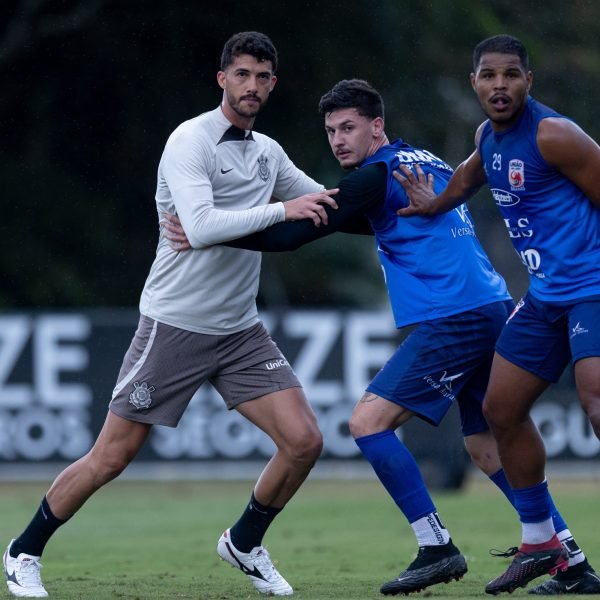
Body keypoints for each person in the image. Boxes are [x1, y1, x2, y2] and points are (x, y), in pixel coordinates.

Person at [164, 78, 593, 597]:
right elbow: (359, 220)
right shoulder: (422, 160)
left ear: (376, 126)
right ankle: (568, 558)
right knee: (485, 445)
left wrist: (210, 231)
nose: (338, 139)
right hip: (490, 306)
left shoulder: (377, 174)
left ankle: (435, 546)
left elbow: (302, 232)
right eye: (330, 130)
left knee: (368, 422)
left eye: (348, 127)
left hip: (454, 315)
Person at [2, 31, 341, 599]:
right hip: (175, 325)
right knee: (112, 457)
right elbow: (202, 226)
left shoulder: (268, 152)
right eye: (242, 75)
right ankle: (23, 550)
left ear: (273, 84)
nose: (252, 86)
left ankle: (244, 541)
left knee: (305, 440)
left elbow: (325, 208)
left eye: (262, 77)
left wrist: (395, 195)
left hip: (240, 331)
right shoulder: (191, 140)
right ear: (222, 79)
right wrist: (283, 209)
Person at [395, 34, 600, 596]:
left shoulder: (555, 135)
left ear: (528, 81)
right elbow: (468, 174)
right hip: (544, 297)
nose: (500, 85)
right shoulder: (488, 138)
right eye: (489, 75)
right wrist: (433, 203)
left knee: (595, 399)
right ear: (475, 83)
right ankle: (542, 544)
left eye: (511, 75)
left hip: (594, 289)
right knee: (499, 410)